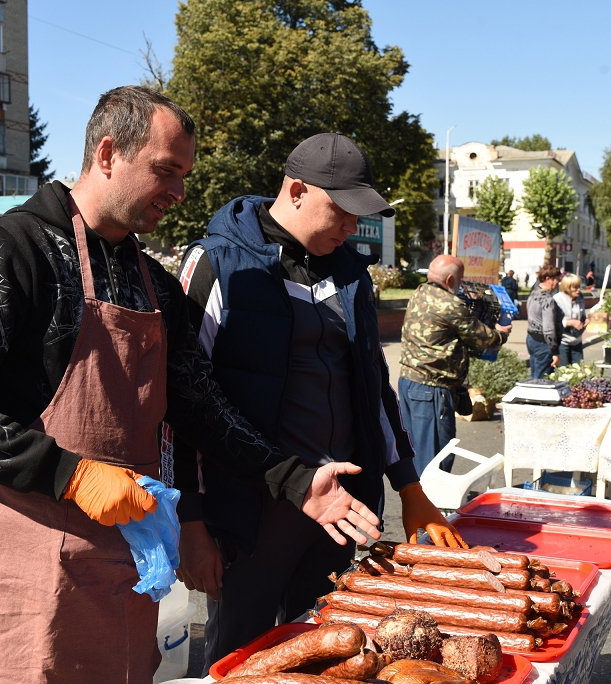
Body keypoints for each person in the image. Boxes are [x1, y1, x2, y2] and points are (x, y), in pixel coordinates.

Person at [0, 87, 372, 684]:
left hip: (124, 551)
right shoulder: (3, 251)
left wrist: (294, 478)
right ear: (107, 153)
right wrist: (69, 473)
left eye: (184, 176)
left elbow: (199, 404)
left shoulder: (152, 283)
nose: (178, 194)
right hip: (21, 547)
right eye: (166, 172)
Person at [176, 132, 465, 669]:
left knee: (332, 657)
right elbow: (183, 405)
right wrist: (190, 521)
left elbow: (374, 388)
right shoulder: (218, 264)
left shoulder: (352, 272)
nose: (354, 227)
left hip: (340, 513)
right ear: (298, 190)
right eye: (343, 210)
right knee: (242, 661)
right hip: (251, 518)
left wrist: (410, 487)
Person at [400, 255, 511, 475]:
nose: (461, 285)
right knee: (437, 457)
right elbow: (482, 337)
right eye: (460, 280)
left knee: (416, 451)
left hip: (409, 382)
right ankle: (430, 506)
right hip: (432, 389)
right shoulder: (450, 304)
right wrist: (501, 334)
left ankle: (418, 504)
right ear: (450, 279)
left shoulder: (420, 292)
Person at [526, 265, 562, 378]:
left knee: (534, 376)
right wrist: (555, 352)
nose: (557, 283)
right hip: (543, 343)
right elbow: (548, 328)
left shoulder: (533, 293)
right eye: (556, 279)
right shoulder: (547, 299)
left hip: (532, 339)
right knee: (542, 380)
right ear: (548, 279)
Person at [553, 273, 586, 365]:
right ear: (567, 287)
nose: (579, 290)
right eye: (575, 287)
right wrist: (569, 322)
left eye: (579, 286)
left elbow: (582, 313)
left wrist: (585, 319)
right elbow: (552, 322)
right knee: (563, 373)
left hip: (577, 341)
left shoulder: (580, 298)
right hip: (562, 342)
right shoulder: (557, 299)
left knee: (579, 372)